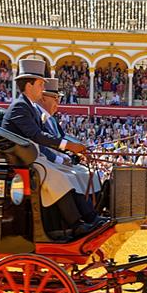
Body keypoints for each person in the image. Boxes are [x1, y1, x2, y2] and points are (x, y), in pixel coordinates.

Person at [1, 59, 102, 240]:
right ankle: (75, 224)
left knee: (72, 175)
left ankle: (90, 217)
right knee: (60, 176)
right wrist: (69, 146)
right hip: (22, 162)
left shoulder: (29, 106)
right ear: (29, 85)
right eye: (40, 84)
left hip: (33, 158)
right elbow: (37, 136)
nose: (42, 88)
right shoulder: (19, 107)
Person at [37, 77, 104, 220]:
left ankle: (95, 212)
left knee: (90, 173)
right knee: (75, 175)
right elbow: (41, 143)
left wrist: (77, 153)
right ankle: (81, 219)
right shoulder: (38, 116)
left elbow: (63, 141)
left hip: (57, 161)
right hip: (48, 162)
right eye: (55, 98)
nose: (58, 103)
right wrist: (62, 158)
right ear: (43, 98)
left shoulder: (52, 120)